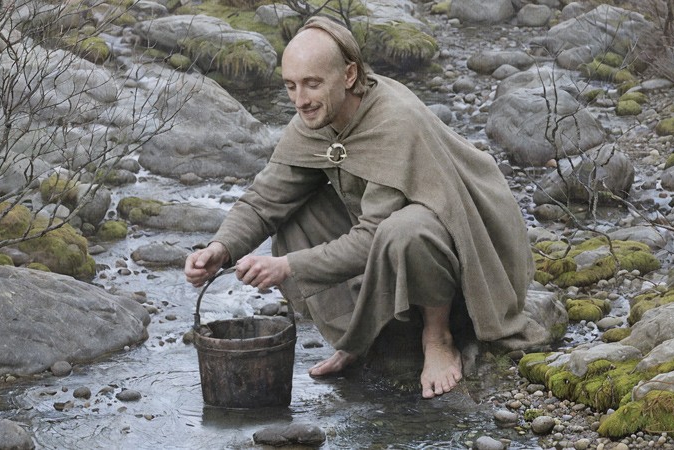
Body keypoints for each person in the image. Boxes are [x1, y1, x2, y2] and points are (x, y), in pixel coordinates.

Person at [184, 16, 535, 399]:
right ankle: (360, 339)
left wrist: (288, 266)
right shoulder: (316, 117)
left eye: (312, 83)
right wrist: (221, 248)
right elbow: (265, 199)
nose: (300, 100)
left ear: (349, 75)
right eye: (290, 86)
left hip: (459, 264)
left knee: (406, 230)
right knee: (293, 216)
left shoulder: (393, 121)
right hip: (386, 249)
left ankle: (438, 337)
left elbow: (373, 237)